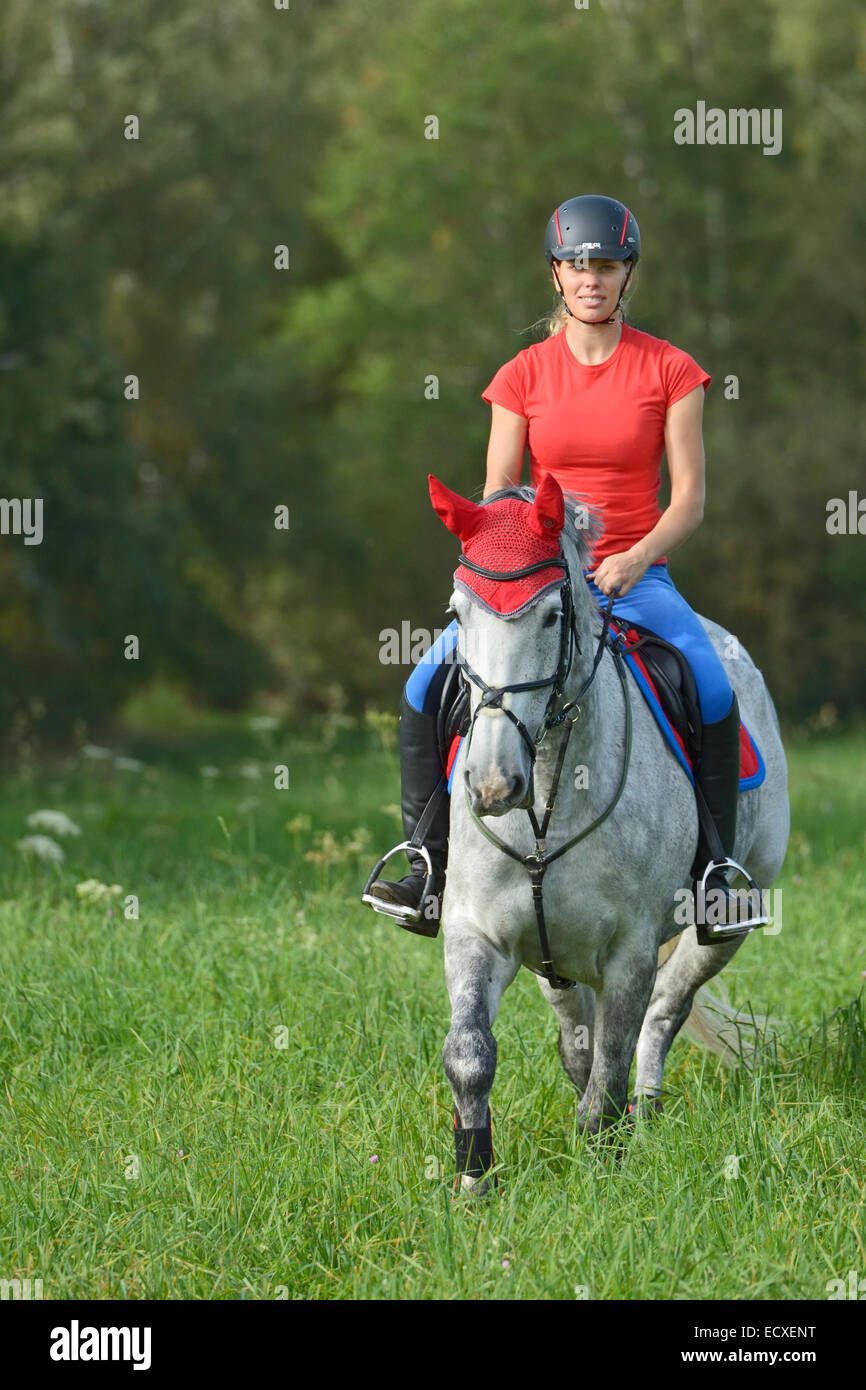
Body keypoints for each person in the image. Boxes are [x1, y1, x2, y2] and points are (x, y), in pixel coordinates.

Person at [363, 193, 766, 941]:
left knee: (711, 684)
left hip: (636, 578)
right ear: (555, 274)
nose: (592, 279)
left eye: (606, 265)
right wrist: (529, 569)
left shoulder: (672, 371)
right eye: (578, 265)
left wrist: (634, 558)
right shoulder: (521, 376)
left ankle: (715, 873)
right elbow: (496, 498)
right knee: (424, 683)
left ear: (626, 274)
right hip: (540, 579)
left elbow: (690, 502)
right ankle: (424, 861)